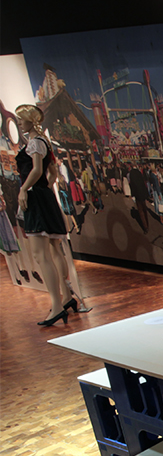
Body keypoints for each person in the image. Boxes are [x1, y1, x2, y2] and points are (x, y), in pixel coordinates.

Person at [14, 104, 74, 326]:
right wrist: (45, 189)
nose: (20, 123)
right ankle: (66, 298)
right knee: (53, 248)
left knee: (41, 254)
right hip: (42, 196)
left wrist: (26, 189)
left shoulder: (35, 143)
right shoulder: (42, 142)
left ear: (31, 120)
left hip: (36, 198)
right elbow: (53, 173)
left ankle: (58, 305)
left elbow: (39, 170)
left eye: (22, 119)